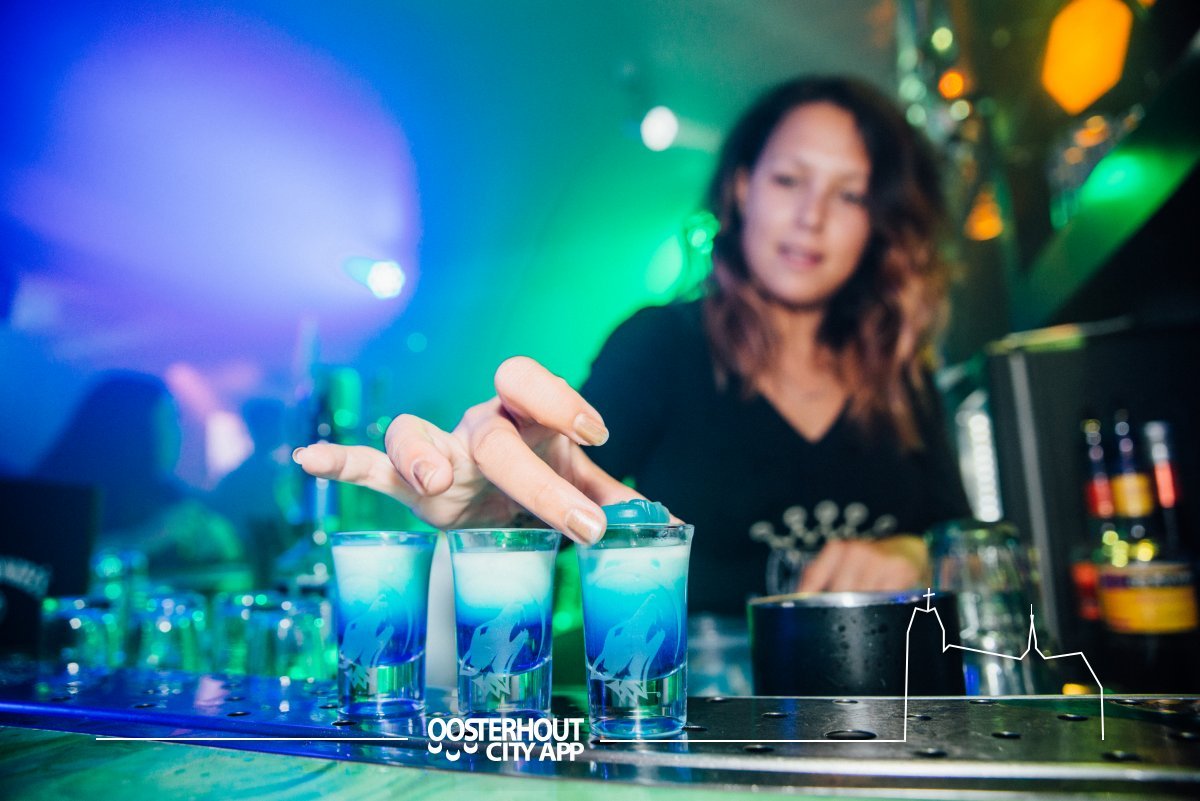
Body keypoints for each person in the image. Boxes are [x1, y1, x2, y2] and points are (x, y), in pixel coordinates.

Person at [293, 76, 971, 616]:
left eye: (850, 194)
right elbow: (556, 489)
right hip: (703, 713)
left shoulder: (900, 375)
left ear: (879, 222)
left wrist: (918, 554)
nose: (811, 217)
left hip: (893, 711)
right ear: (742, 188)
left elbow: (968, 544)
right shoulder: (662, 346)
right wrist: (496, 507)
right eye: (789, 180)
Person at [33, 371, 247, 588]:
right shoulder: (56, 493)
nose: (178, 434)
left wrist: (220, 545)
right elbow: (47, 565)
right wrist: (149, 537)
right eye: (168, 422)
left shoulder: (166, 492)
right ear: (132, 430)